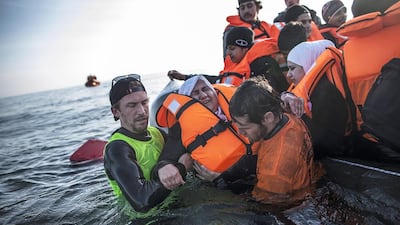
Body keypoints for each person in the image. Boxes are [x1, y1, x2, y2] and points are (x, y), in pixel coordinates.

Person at [195, 77, 323, 204]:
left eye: (245, 127)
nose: (241, 133)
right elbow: (251, 159)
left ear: (268, 118)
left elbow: (264, 207)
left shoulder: (274, 170)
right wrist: (221, 177)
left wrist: (220, 184)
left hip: (289, 205)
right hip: (310, 181)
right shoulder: (289, 117)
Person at [103, 74, 187, 213]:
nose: (142, 111)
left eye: (144, 103)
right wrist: (182, 167)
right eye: (132, 105)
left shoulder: (156, 133)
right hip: (149, 220)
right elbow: (142, 201)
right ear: (116, 112)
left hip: (178, 206)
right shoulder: (117, 148)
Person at [153, 75, 252, 190]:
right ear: (187, 101)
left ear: (214, 91)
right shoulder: (183, 128)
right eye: (195, 93)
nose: (203, 95)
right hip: (224, 187)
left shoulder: (238, 107)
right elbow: (165, 160)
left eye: (205, 89)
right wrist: (164, 167)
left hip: (255, 169)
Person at [168, 26, 289, 93]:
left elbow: (273, 93)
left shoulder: (262, 64)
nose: (228, 53)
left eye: (232, 48)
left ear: (244, 47)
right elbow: (216, 80)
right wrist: (185, 77)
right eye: (227, 49)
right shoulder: (235, 66)